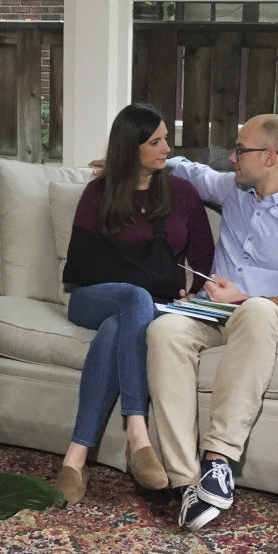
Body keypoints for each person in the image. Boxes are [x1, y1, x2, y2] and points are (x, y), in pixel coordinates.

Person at [146, 113, 278, 531]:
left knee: (256, 311)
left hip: (264, 314)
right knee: (162, 328)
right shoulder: (234, 190)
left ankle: (218, 459)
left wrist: (248, 297)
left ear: (271, 156)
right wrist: (129, 161)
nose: (232, 157)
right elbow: (190, 170)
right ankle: (185, 482)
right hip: (212, 311)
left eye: (240, 150)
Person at [55, 103, 215, 505]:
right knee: (132, 296)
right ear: (132, 147)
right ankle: (137, 433)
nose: (166, 148)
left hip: (153, 308)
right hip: (92, 297)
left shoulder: (181, 193)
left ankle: (75, 458)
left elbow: (204, 258)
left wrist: (194, 295)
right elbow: (82, 265)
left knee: (121, 325)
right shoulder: (99, 192)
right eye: (155, 141)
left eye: (165, 138)